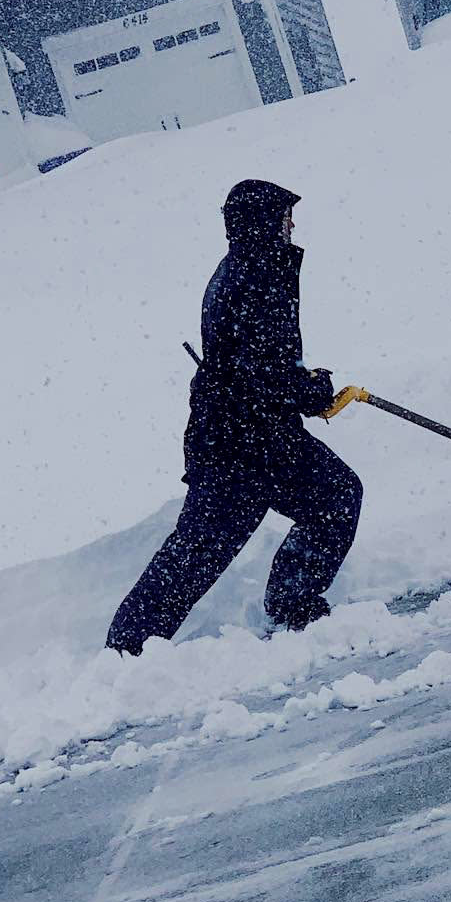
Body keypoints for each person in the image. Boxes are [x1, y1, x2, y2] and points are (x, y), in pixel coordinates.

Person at [106, 180, 362, 656]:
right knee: (197, 554)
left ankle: (293, 604)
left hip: (257, 435)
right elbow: (258, 369)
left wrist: (305, 384)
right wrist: (309, 390)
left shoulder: (249, 269)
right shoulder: (255, 274)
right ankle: (124, 654)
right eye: (285, 215)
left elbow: (264, 363)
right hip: (238, 443)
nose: (292, 224)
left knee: (333, 497)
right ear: (264, 221)